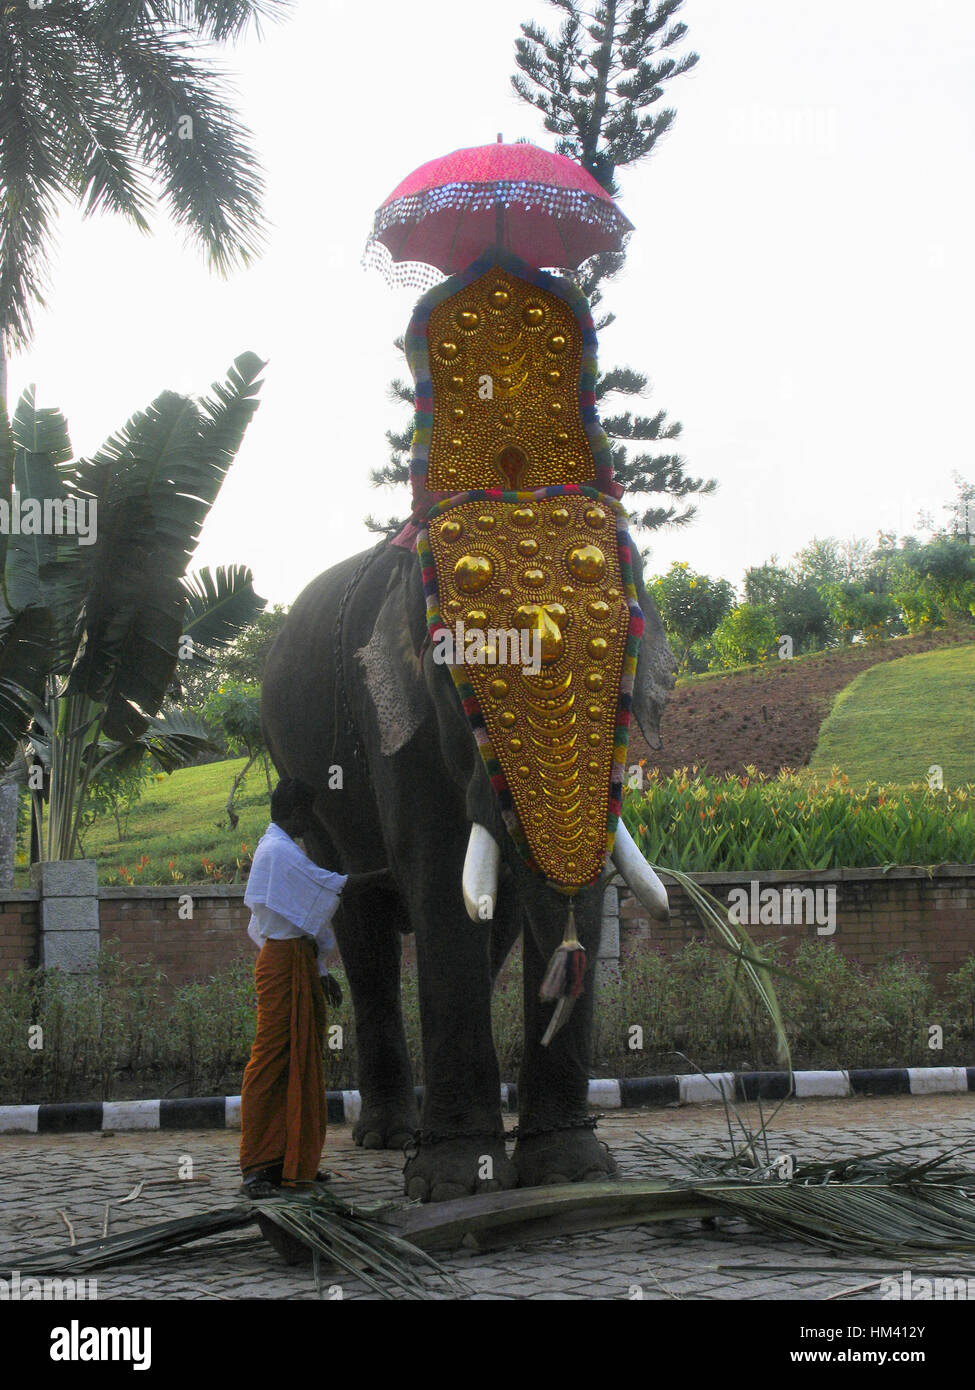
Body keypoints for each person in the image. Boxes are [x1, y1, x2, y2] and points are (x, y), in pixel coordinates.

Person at [238, 778, 389, 1198]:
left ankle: (293, 1163)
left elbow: (308, 915)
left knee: (302, 1058)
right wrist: (383, 876)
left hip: (298, 960)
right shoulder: (278, 850)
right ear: (294, 812)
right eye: (308, 812)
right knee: (270, 1060)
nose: (311, 821)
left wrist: (321, 970)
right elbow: (328, 886)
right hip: (282, 962)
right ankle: (256, 1166)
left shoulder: (285, 849)